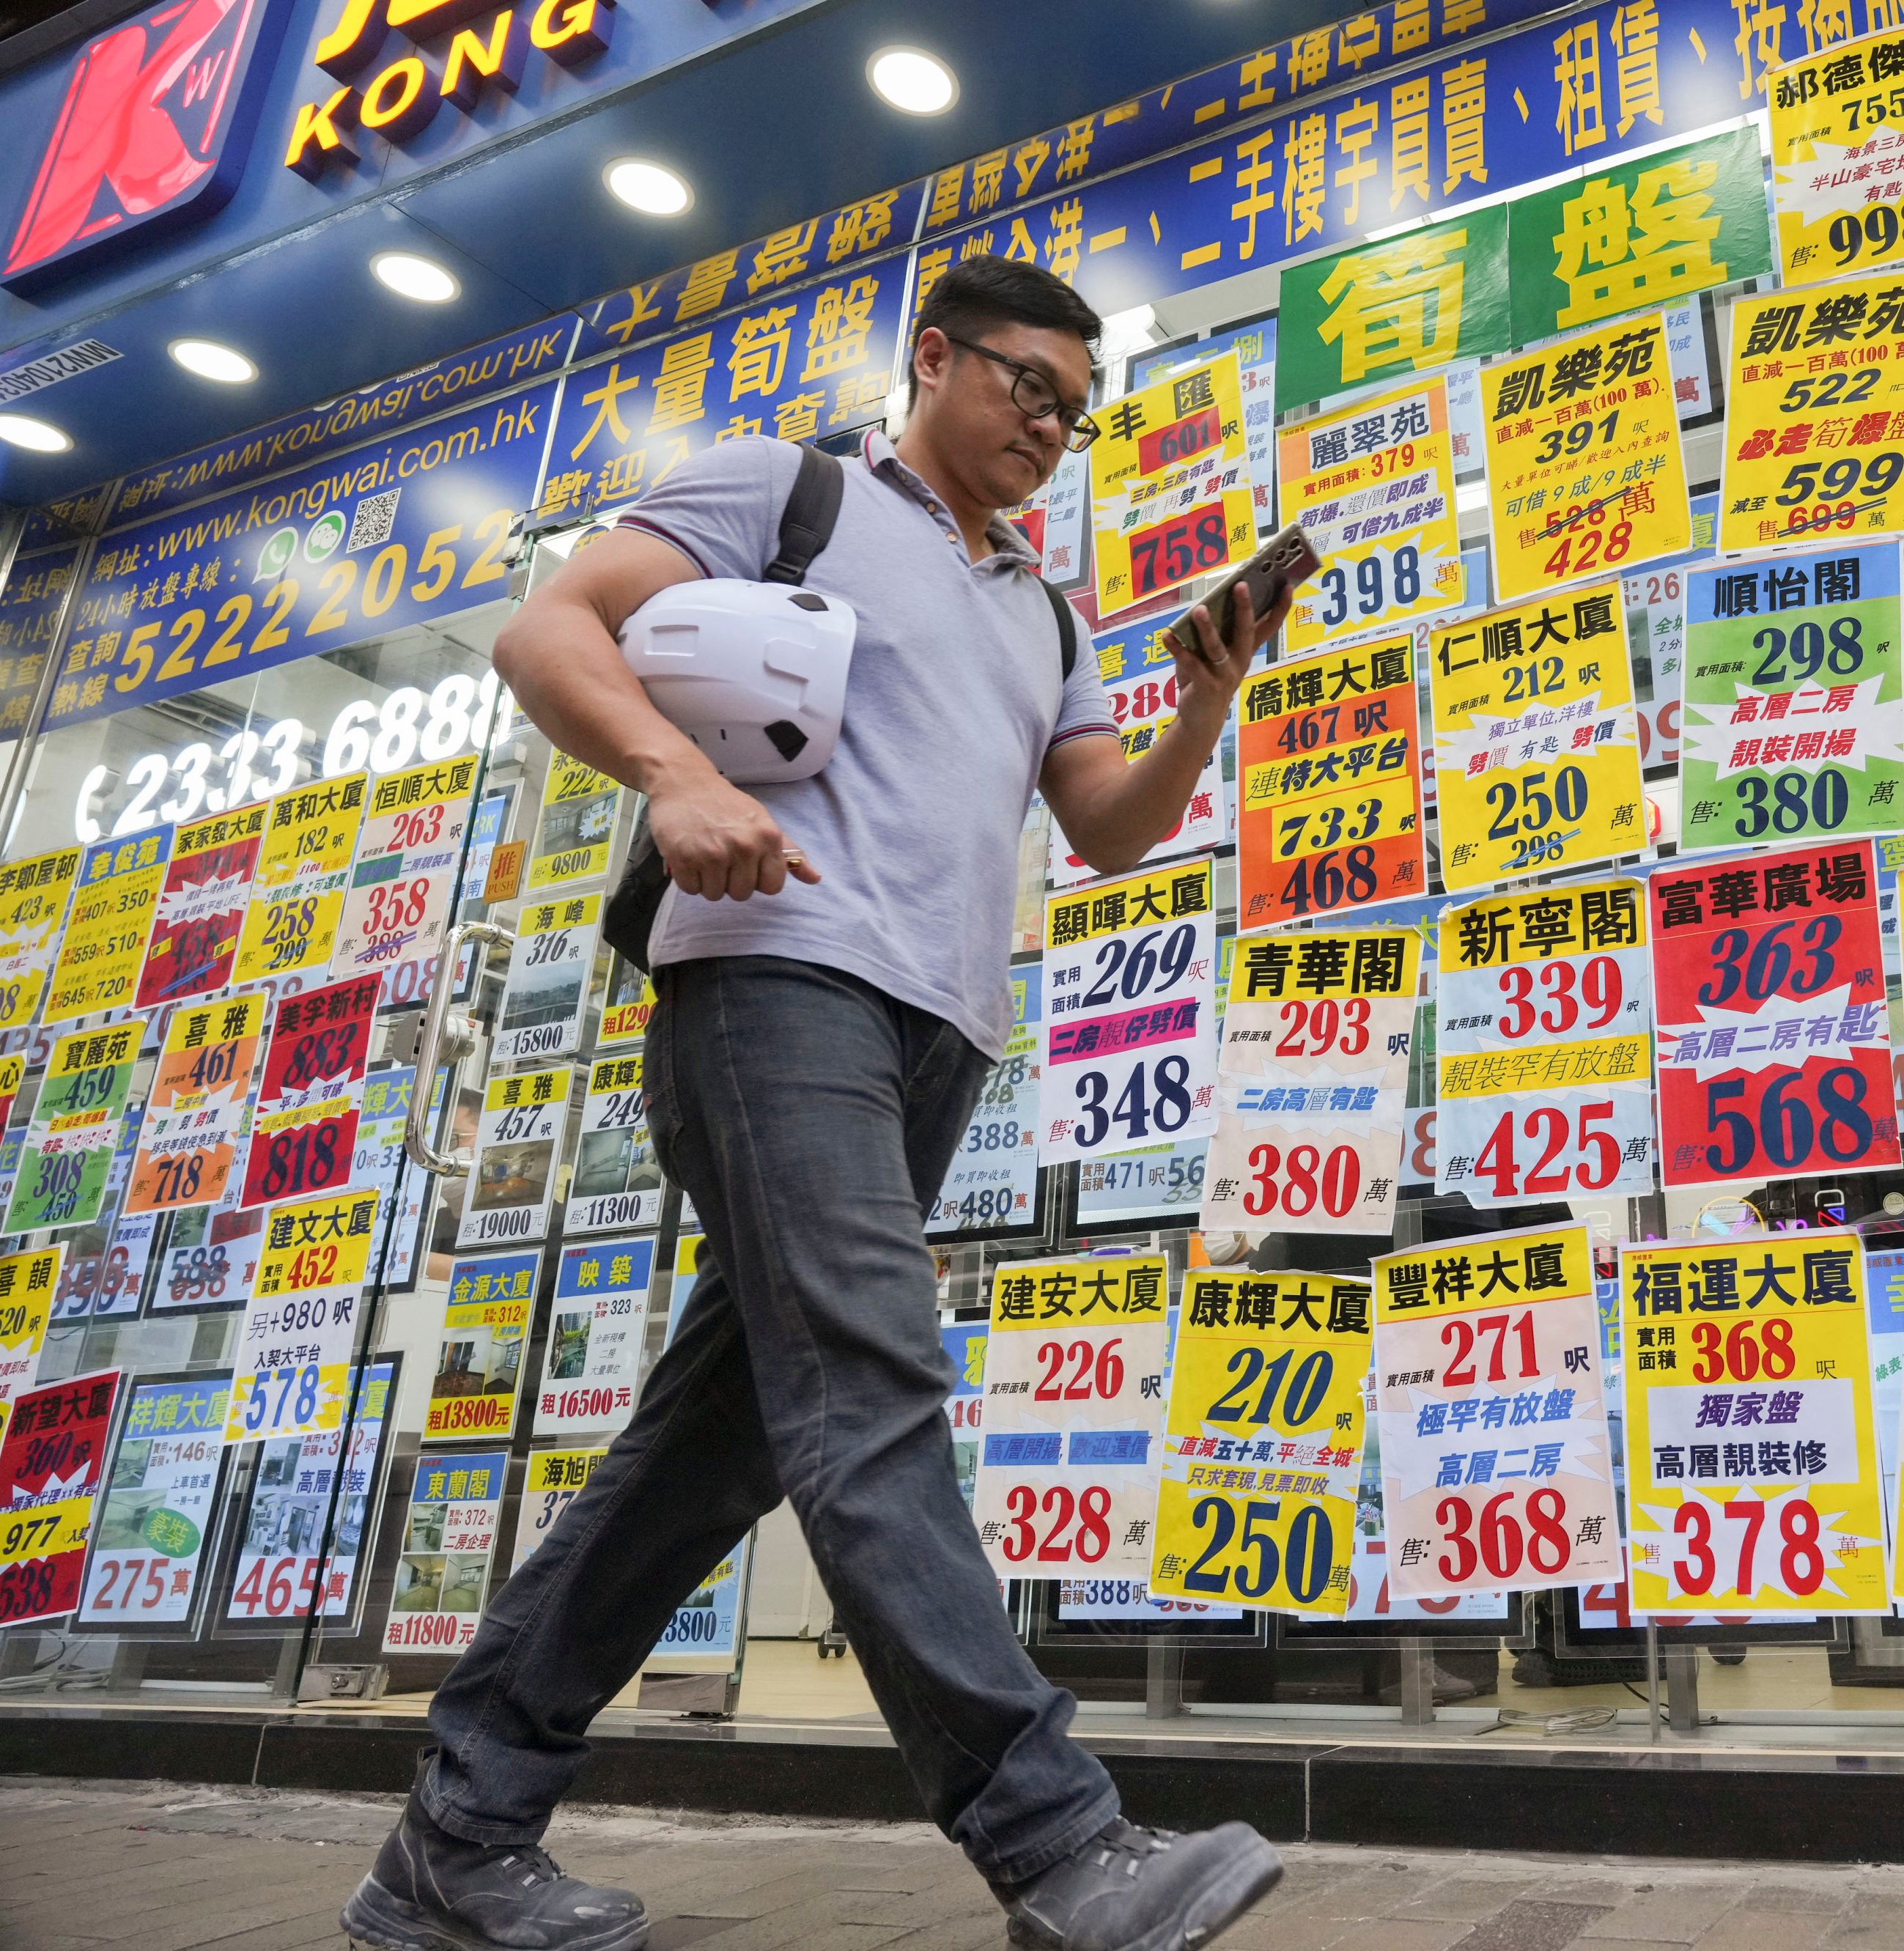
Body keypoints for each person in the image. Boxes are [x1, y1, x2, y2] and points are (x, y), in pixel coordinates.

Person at [342, 256, 1291, 1951]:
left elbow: (1109, 827)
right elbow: (546, 625)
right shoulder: (788, 490)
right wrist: (676, 774)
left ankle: (456, 1832)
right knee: (866, 1371)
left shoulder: (1041, 607)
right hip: (778, 987)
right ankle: (1056, 1839)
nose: (1051, 431)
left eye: (1078, 414)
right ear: (932, 356)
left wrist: (1206, 692)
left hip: (935, 1038)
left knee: (709, 1455)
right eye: (1026, 388)